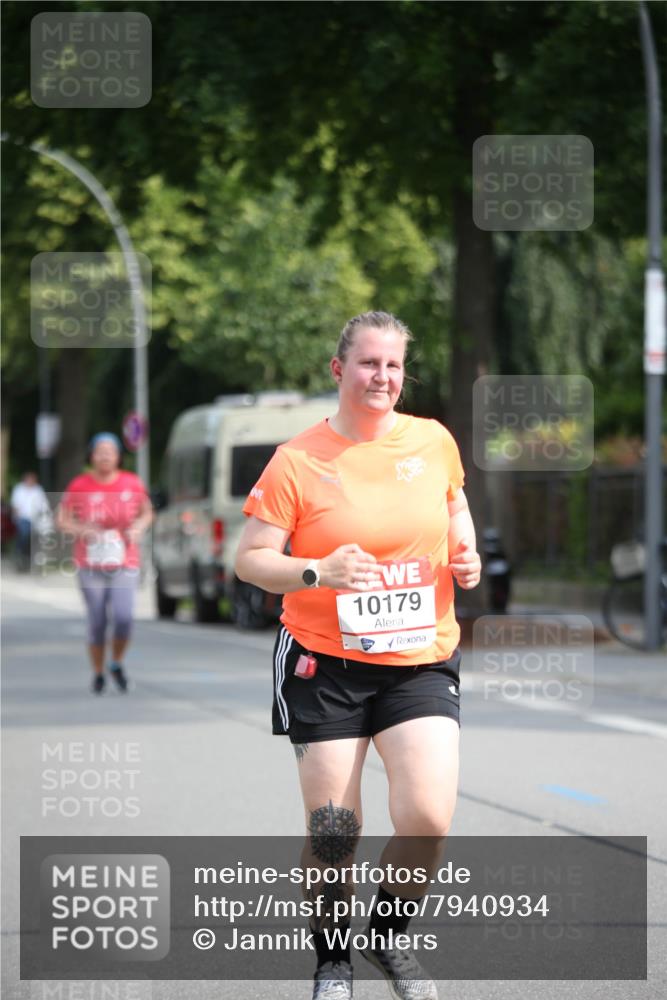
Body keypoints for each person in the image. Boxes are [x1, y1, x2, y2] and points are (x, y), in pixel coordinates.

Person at [235, 312, 481, 1000]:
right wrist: (318, 572)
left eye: (393, 365)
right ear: (338, 370)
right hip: (324, 659)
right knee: (336, 829)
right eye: (369, 364)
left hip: (420, 655)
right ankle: (332, 962)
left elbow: (453, 506)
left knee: (428, 818)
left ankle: (385, 938)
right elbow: (251, 560)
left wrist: (466, 554)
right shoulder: (297, 458)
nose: (382, 377)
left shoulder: (432, 441)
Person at [57, 433, 153, 694]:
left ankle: (116, 662)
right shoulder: (79, 485)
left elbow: (147, 512)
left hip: (125, 559)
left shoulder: (131, 483)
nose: (105, 455)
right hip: (90, 563)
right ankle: (98, 672)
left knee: (123, 618)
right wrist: (81, 530)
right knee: (97, 620)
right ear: (91, 455)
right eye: (100, 450)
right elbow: (63, 519)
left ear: (119, 456)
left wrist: (137, 528)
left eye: (110, 450)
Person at [10, 471, 50, 571]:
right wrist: (17, 518)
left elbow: (44, 505)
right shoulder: (19, 489)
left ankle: (29, 557)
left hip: (36, 519)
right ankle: (20, 554)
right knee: (25, 534)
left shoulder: (38, 490)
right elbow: (15, 506)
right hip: (23, 518)